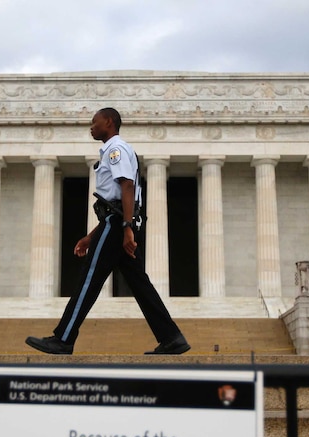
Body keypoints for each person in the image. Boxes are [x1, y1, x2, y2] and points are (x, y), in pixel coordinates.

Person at [25, 107, 190, 355]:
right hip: (115, 222)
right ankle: (171, 338)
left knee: (89, 278)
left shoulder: (116, 149)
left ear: (109, 123)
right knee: (140, 284)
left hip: (118, 224)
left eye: (95, 122)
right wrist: (91, 237)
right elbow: (112, 200)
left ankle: (64, 338)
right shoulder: (113, 150)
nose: (91, 127)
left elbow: (126, 187)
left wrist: (125, 228)